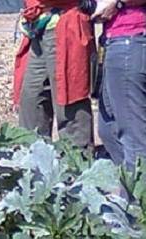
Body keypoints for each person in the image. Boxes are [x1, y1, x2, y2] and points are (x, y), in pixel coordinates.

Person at [13, 0, 96, 151]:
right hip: (39, 24)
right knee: (31, 101)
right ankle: (32, 165)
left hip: (65, 21)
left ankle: (77, 167)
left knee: (69, 102)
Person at [94, 0, 146, 183]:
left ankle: (142, 205)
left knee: (133, 135)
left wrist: (118, 3)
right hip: (114, 41)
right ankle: (131, 191)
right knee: (108, 129)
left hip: (132, 40)